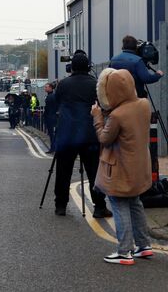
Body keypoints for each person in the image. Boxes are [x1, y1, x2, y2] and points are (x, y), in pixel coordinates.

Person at [92, 68, 153, 265]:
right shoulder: (144, 104)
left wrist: (97, 117)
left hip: (119, 167)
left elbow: (104, 139)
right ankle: (144, 246)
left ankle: (124, 251)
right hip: (139, 165)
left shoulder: (117, 115)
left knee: (119, 205)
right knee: (135, 203)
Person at [53, 51, 112, 218]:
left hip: (67, 134)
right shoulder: (95, 84)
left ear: (72, 67)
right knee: (94, 172)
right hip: (90, 134)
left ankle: (61, 205)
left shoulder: (63, 84)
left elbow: (57, 102)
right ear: (88, 67)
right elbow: (103, 105)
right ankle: (99, 206)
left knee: (63, 171)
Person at [43, 82, 57, 153]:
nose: (45, 88)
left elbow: (49, 108)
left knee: (52, 134)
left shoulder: (51, 96)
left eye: (46, 87)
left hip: (51, 117)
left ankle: (53, 148)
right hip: (51, 116)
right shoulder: (50, 96)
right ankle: (53, 148)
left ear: (51, 88)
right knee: (52, 134)